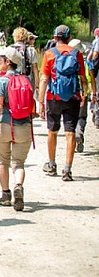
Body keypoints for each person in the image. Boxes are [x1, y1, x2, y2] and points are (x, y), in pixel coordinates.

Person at [37, 25, 90, 181]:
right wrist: (84, 95)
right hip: (73, 98)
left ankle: (52, 164)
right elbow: (83, 79)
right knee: (70, 132)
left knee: (52, 131)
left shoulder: (49, 54)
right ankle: (67, 170)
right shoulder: (77, 53)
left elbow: (44, 79)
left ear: (54, 38)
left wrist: (40, 101)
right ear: (69, 37)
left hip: (54, 97)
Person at [0, 47, 33, 211]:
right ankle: (18, 185)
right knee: (19, 163)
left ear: (8, 62)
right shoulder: (26, 80)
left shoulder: (2, 81)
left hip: (4, 126)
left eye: (0, 59)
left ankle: (6, 195)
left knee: (2, 162)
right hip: (24, 126)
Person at [68, 39, 96, 153]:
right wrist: (94, 93)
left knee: (70, 117)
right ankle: (79, 132)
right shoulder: (87, 63)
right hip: (82, 92)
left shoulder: (67, 61)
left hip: (69, 93)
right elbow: (92, 79)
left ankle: (73, 136)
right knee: (82, 116)